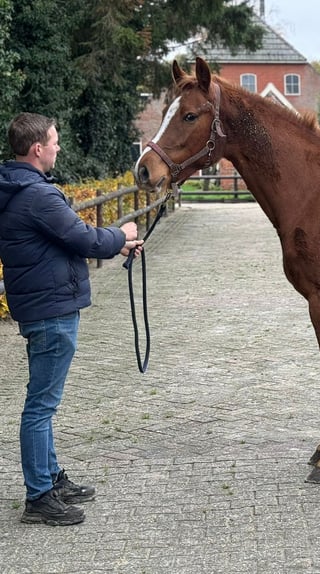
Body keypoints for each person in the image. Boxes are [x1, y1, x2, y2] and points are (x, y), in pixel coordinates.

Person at [0, 112, 143, 526]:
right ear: (36, 149)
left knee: (43, 401)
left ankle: (49, 478)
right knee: (41, 405)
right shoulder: (36, 196)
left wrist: (114, 245)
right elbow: (82, 238)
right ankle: (39, 496)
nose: (58, 147)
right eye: (54, 141)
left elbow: (67, 239)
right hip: (51, 310)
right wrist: (124, 235)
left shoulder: (21, 190)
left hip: (46, 306)